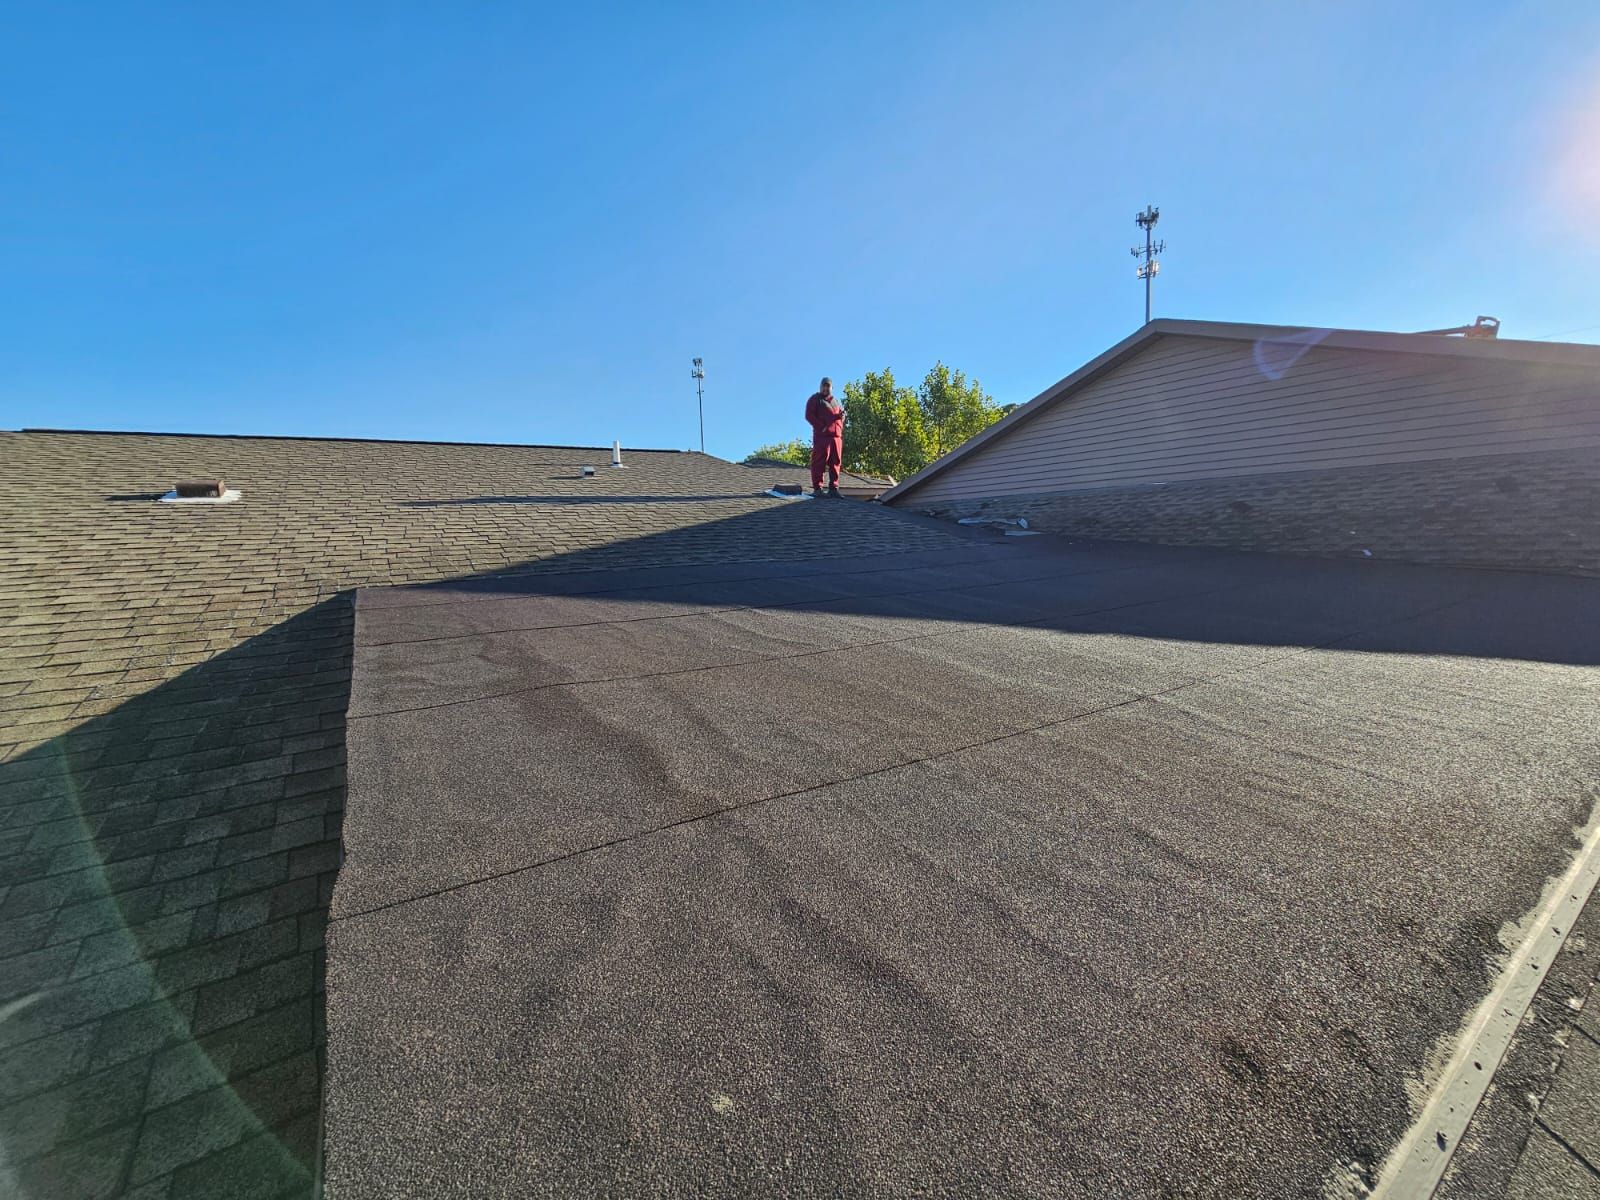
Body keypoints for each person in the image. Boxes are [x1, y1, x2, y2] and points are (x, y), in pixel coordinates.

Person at [804, 377, 845, 498]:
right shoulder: (815, 399)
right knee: (819, 461)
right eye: (824, 386)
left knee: (836, 462)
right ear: (820, 386)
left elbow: (840, 415)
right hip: (823, 436)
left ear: (832, 388)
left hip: (836, 437)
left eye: (828, 386)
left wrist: (842, 417)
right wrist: (820, 426)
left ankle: (834, 488)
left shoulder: (836, 401)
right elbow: (809, 415)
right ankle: (818, 488)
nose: (826, 388)